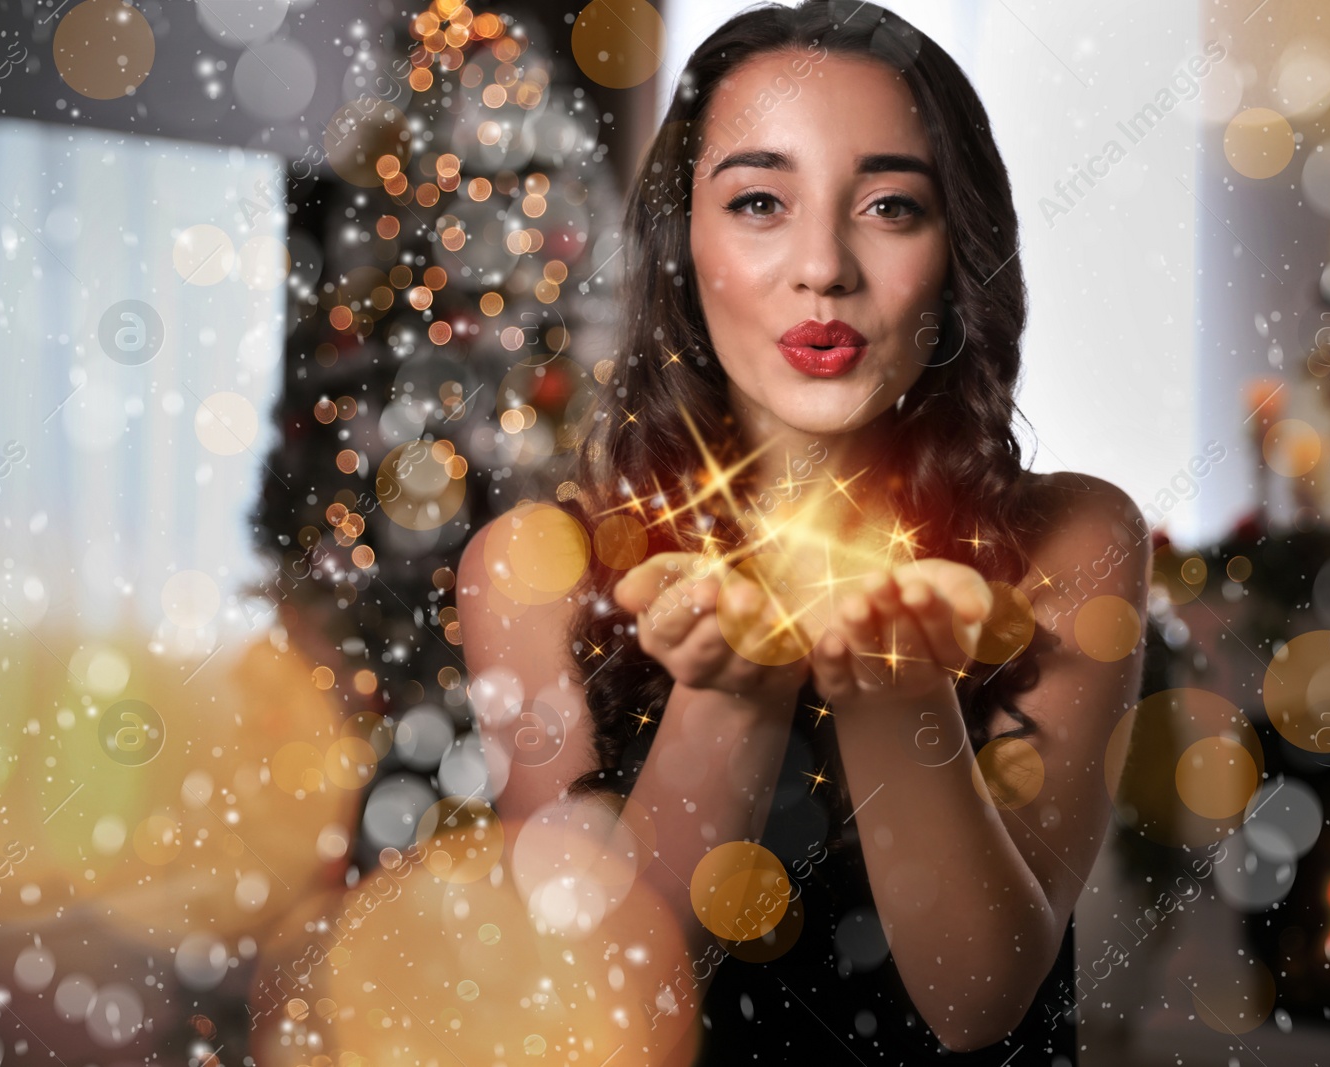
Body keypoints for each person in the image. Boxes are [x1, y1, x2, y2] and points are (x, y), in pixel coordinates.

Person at [457, 2, 1150, 1062]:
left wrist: (896, 690)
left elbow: (977, 1000)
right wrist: (729, 694)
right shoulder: (530, 568)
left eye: (887, 204)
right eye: (759, 201)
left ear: (959, 246)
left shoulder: (1073, 536)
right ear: (682, 242)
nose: (822, 265)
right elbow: (598, 1016)